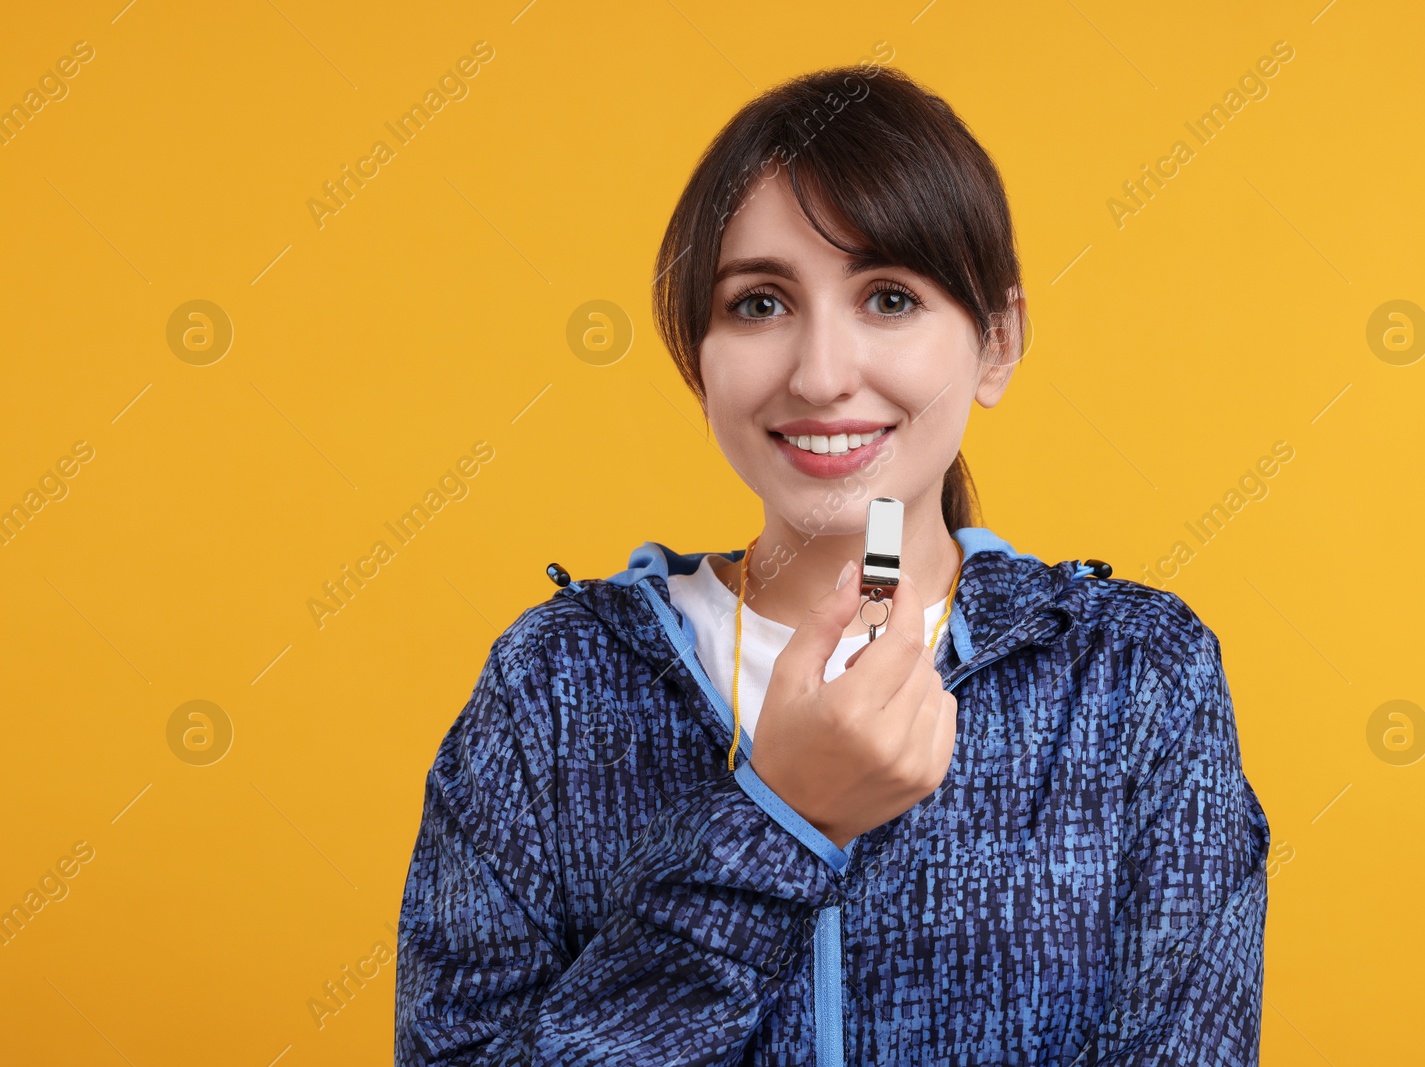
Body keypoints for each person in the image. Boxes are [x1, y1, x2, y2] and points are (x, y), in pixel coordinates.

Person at [394, 65, 1270, 1066]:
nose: (818, 373)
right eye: (759, 304)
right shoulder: (554, 685)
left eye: (889, 297)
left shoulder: (1133, 677)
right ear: (696, 355)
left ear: (996, 344)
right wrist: (781, 820)